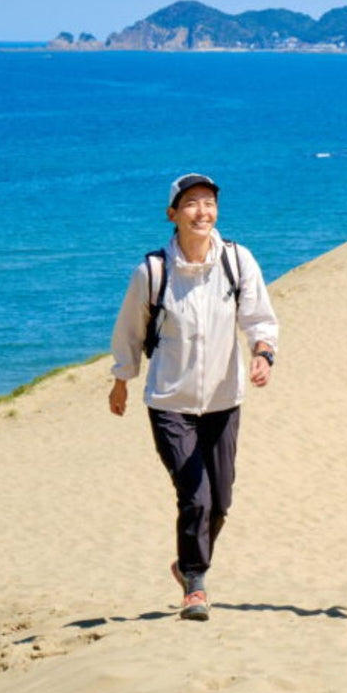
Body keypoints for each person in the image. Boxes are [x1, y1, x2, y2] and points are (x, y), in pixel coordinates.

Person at [108, 173, 279, 621]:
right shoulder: (153, 271)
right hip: (169, 401)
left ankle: (186, 564)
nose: (202, 211)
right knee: (195, 496)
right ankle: (196, 584)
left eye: (209, 202)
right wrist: (122, 378)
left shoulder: (237, 262)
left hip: (224, 400)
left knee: (220, 500)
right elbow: (130, 329)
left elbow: (259, 317)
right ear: (173, 214)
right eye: (191, 203)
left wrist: (263, 353)